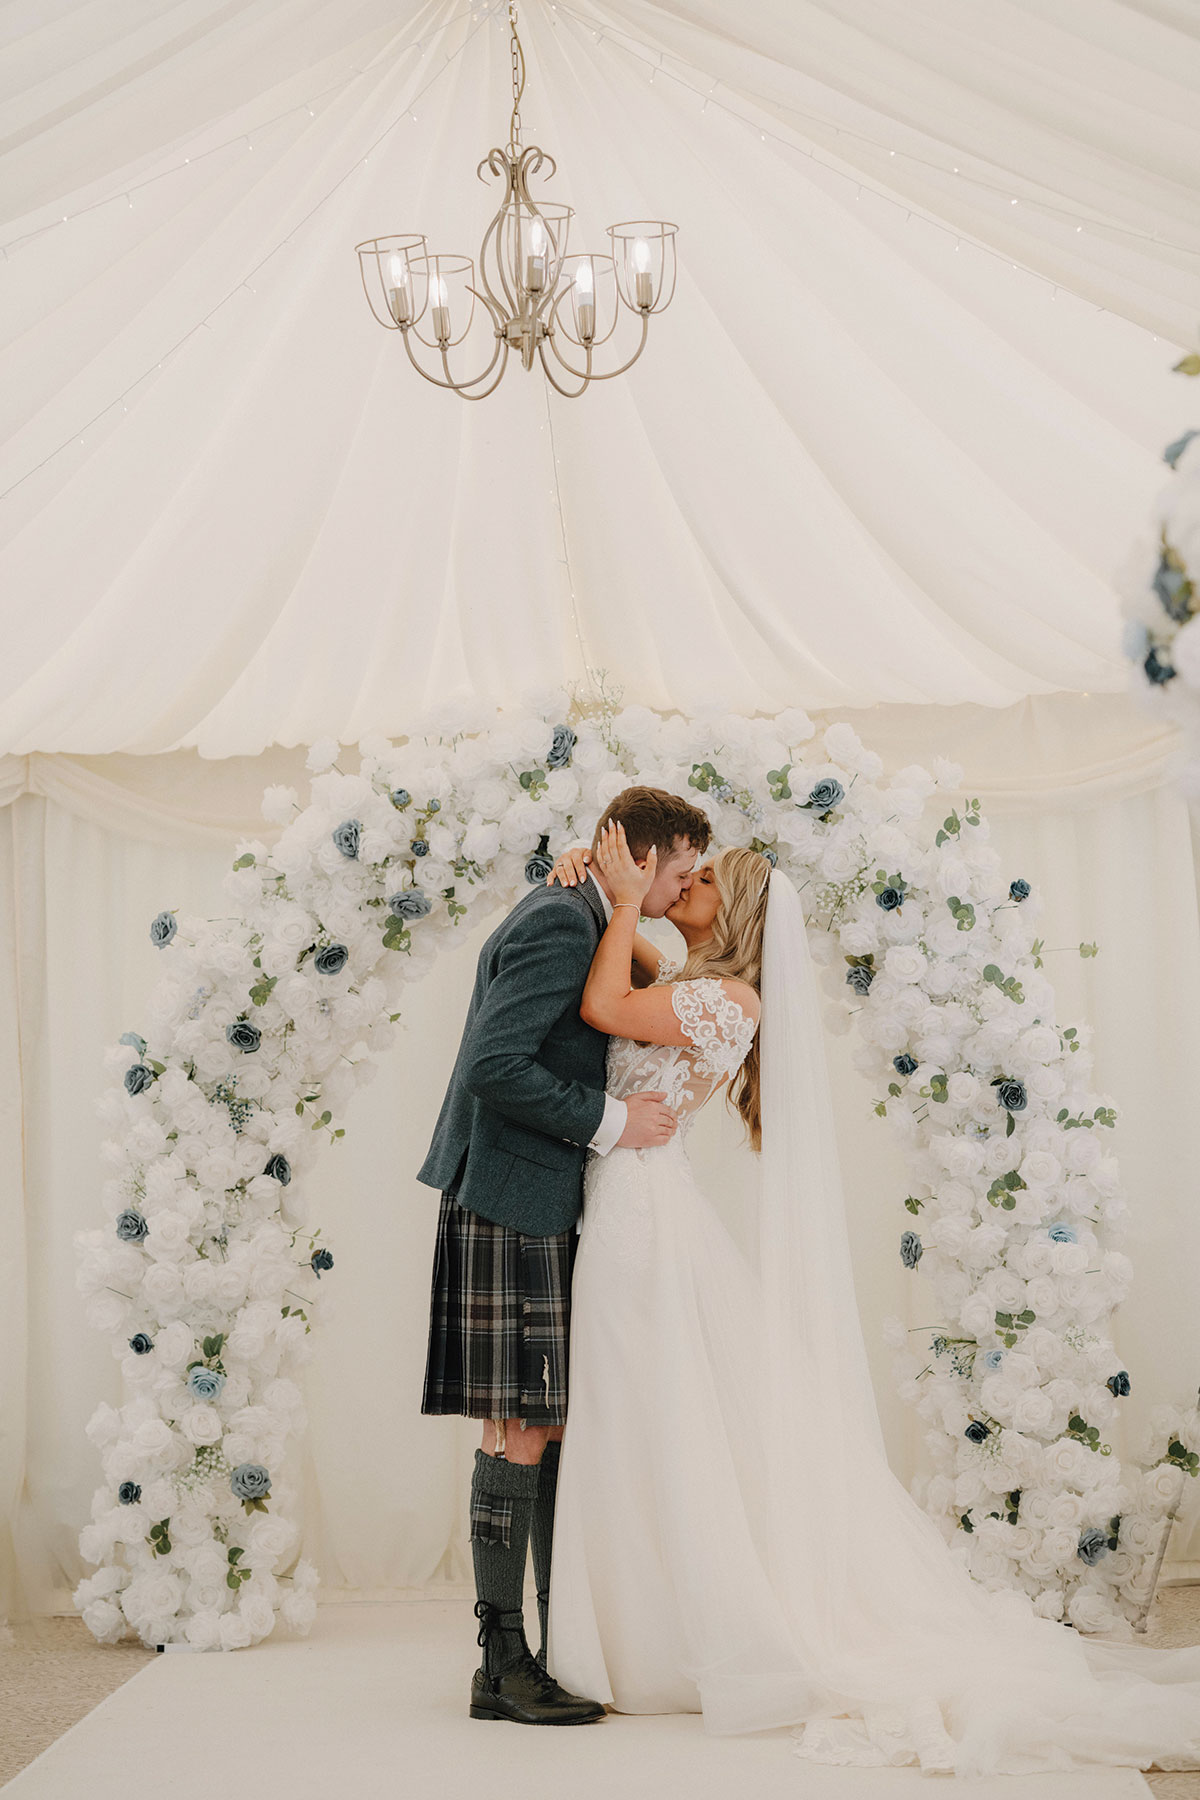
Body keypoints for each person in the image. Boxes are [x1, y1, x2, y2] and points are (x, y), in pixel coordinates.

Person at [541, 826, 1200, 1777]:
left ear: (736, 910)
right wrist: (603, 886)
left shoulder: (730, 998)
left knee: (647, 1408)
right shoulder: (689, 976)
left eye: (702, 878)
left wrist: (626, 902)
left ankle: (666, 1639)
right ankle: (649, 1626)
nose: (680, 881)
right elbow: (629, 953)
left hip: (642, 1211)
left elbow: (606, 1001)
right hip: (632, 1202)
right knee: (646, 1410)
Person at [416, 787, 711, 1725]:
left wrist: (623, 900)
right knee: (523, 1428)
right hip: (514, 1198)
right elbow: (493, 1067)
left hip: (538, 1197)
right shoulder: (558, 918)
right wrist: (616, 1121)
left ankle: (545, 1643)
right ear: (639, 854)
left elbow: (647, 978)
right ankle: (502, 1664)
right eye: (679, 870)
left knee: (545, 1422)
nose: (686, 886)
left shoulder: (588, 910)